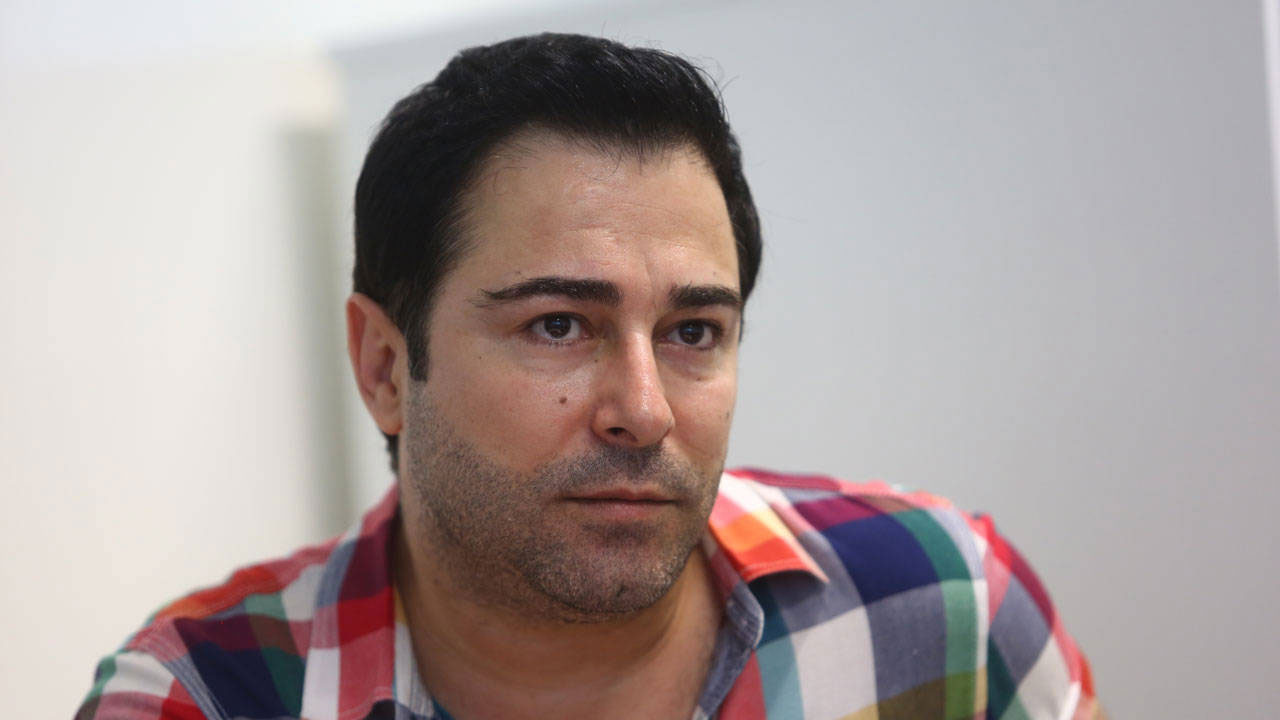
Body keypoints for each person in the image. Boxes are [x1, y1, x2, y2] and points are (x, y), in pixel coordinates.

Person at [76, 33, 1100, 719]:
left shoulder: (943, 609)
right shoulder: (199, 698)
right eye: (558, 325)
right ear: (384, 366)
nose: (643, 412)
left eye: (692, 331)